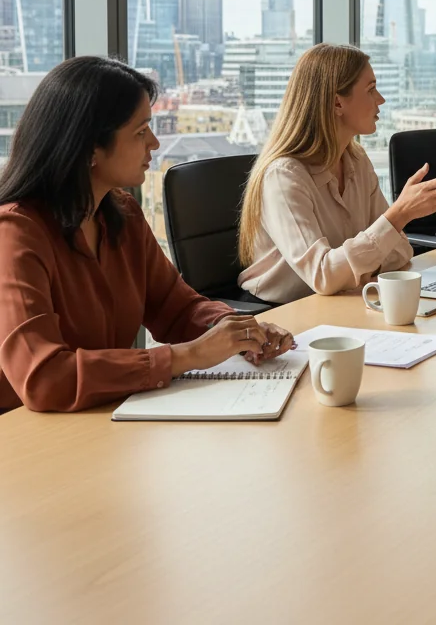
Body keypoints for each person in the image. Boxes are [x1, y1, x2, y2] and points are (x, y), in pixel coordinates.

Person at [0, 57, 293, 413]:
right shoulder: (16, 234)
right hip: (28, 439)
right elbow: (44, 378)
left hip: (107, 420)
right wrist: (187, 356)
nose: (154, 143)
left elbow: (176, 308)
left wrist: (235, 330)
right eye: (141, 132)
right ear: (91, 149)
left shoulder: (122, 213)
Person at [238, 44, 436, 304]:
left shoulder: (356, 159)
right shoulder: (284, 176)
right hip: (279, 315)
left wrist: (356, 265)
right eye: (370, 90)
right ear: (337, 102)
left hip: (342, 301)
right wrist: (399, 215)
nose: (381, 99)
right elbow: (323, 275)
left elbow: (400, 251)